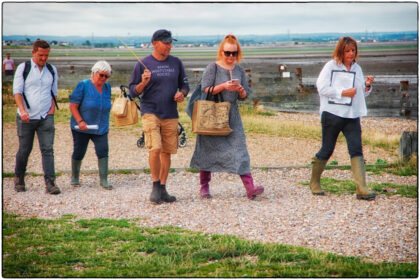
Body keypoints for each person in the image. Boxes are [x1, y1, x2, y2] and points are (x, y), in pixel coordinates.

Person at [189, 34, 264, 200]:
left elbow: (245, 95)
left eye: (234, 53)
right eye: (227, 53)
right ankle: (204, 187)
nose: (231, 57)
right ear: (221, 52)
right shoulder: (212, 68)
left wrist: (240, 91)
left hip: (232, 115)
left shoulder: (239, 70)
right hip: (212, 114)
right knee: (207, 150)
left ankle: (250, 188)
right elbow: (205, 89)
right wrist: (223, 86)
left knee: (240, 150)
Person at [310, 36, 376, 200]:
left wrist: (367, 85)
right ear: (341, 51)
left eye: (353, 50)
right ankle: (314, 182)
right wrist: (342, 93)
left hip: (352, 116)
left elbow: (361, 94)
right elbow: (322, 87)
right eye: (347, 50)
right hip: (331, 115)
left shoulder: (357, 69)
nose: (351, 53)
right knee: (327, 149)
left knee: (356, 149)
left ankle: (362, 188)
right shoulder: (330, 66)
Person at [129, 29, 189, 204]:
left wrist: (182, 94)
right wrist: (143, 82)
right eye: (166, 43)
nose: (169, 46)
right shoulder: (143, 63)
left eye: (171, 42)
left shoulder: (176, 62)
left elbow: (185, 85)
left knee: (167, 153)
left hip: (170, 113)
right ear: (155, 43)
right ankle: (155, 186)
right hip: (150, 112)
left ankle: (163, 189)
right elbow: (133, 91)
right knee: (155, 148)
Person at [13, 40, 60, 194]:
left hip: (46, 116)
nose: (43, 58)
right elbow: (17, 92)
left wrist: (51, 111)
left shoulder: (52, 70)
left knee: (48, 149)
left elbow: (54, 93)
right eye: (40, 55)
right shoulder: (23, 68)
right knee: (25, 149)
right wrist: (22, 110)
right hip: (26, 117)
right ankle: (19, 178)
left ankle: (50, 182)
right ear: (33, 52)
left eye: (46, 55)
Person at [69, 61, 113, 190]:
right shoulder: (83, 85)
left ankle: (104, 180)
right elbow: (73, 106)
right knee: (79, 151)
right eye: (101, 75)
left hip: (101, 126)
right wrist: (80, 121)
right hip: (82, 127)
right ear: (93, 73)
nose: (104, 78)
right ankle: (75, 177)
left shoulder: (107, 87)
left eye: (107, 76)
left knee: (103, 151)